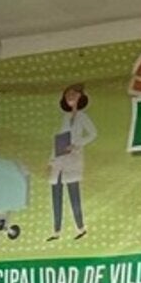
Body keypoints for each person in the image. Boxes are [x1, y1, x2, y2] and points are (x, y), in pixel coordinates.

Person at [46, 83, 95, 239]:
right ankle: (56, 230)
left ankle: (80, 228)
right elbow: (61, 137)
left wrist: (76, 145)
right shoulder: (65, 117)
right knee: (56, 193)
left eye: (73, 94)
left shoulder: (82, 116)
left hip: (73, 158)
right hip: (59, 159)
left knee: (74, 194)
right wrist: (51, 160)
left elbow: (93, 134)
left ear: (80, 96)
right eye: (67, 95)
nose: (70, 97)